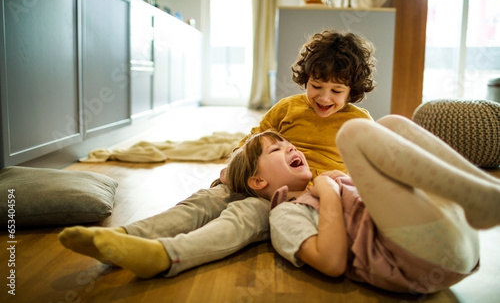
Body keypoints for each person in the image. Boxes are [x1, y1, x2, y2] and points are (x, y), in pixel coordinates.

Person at [58, 29, 376, 279]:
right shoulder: (288, 107)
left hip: (295, 202)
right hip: (257, 178)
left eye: (336, 91)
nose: (323, 97)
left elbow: (368, 170)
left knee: (240, 220)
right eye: (316, 85)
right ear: (305, 78)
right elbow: (254, 139)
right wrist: (235, 164)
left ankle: (165, 256)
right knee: (203, 201)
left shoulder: (359, 123)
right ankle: (124, 237)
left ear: (353, 90)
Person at [225, 118, 500, 294]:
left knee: (391, 123)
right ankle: (480, 199)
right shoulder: (285, 212)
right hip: (424, 255)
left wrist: (347, 181)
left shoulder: (328, 181)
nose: (292, 150)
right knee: (353, 134)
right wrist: (330, 193)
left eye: (290, 145)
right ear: (258, 180)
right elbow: (331, 262)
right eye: (276, 150)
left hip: (457, 237)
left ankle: (484, 193)